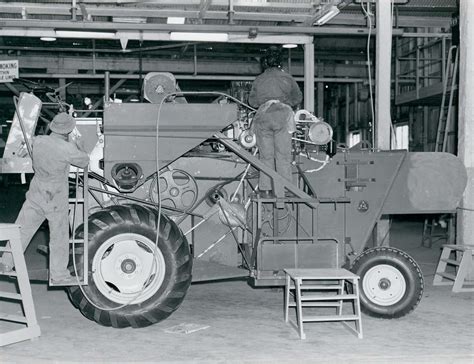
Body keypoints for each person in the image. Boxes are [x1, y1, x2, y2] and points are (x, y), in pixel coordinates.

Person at [0, 112, 89, 284]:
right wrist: (79, 145)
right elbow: (84, 161)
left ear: (52, 126)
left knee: (23, 229)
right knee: (59, 236)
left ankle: (5, 262)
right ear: (69, 130)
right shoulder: (67, 149)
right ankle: (59, 275)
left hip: (36, 191)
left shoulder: (39, 141)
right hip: (54, 196)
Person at [248, 45, 303, 197]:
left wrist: (265, 101)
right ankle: (285, 189)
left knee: (266, 156)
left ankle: (265, 189)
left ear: (265, 63)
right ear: (280, 62)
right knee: (283, 155)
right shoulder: (287, 78)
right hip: (282, 117)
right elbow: (298, 97)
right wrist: (285, 102)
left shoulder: (259, 80)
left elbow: (252, 101)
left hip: (264, 117)